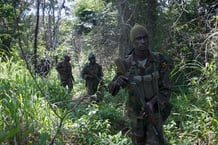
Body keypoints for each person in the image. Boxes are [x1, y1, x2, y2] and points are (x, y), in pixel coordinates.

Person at [108, 24, 171, 145]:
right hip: (135, 116)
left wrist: (152, 103)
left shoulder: (159, 60)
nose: (142, 41)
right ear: (132, 42)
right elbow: (111, 90)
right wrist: (118, 82)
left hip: (154, 113)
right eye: (138, 38)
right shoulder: (125, 64)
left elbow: (166, 89)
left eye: (145, 37)